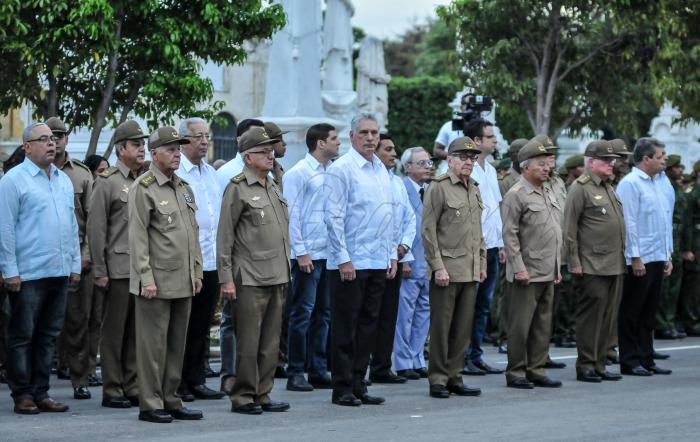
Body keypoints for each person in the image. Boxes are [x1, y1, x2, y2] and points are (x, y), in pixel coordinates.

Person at [0, 122, 80, 414]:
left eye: (53, 139)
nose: (51, 143)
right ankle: (22, 394)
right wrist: (10, 270)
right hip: (28, 273)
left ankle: (41, 391)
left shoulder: (62, 180)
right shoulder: (13, 181)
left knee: (48, 336)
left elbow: (71, 225)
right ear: (27, 147)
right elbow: (5, 228)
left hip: (58, 270)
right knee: (23, 336)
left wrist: (74, 264)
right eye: (43, 139)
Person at [129, 126, 204, 423]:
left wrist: (196, 271)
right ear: (154, 153)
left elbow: (192, 233)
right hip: (157, 281)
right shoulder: (144, 187)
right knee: (152, 347)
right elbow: (138, 238)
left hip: (182, 279)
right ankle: (150, 403)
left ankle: (171, 398)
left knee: (175, 345)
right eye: (170, 150)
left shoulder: (183, 187)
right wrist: (145, 278)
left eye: (178, 149)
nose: (177, 154)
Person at [216, 126, 291, 415]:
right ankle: (244, 396)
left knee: (271, 342)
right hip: (249, 277)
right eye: (264, 151)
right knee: (249, 342)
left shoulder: (272, 184)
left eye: (271, 150)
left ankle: (263, 392)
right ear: (247, 157)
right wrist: (226, 279)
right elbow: (225, 238)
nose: (271, 155)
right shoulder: (237, 188)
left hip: (277, 274)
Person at [324, 113, 397, 407]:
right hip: (351, 262)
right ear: (352, 136)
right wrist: (343, 259)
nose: (370, 138)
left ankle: (359, 382)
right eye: (364, 132)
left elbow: (388, 214)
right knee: (346, 326)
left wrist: (391, 254)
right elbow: (333, 217)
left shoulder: (381, 169)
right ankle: (341, 386)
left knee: (369, 325)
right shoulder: (341, 169)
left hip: (377, 259)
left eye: (374, 133)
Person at [88, 120, 148, 409]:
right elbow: (96, 230)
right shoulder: (107, 182)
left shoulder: (145, 180)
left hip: (142, 269)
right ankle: (113, 388)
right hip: (117, 268)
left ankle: (132, 384)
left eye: (143, 144)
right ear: (121, 149)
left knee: (136, 331)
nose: (142, 149)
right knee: (114, 332)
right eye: (136, 144)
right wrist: (100, 270)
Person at [422, 136, 486, 399]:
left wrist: (481, 262)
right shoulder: (439, 187)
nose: (468, 162)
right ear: (449, 160)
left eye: (472, 158)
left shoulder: (474, 188)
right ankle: (438, 378)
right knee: (441, 327)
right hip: (446, 269)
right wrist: (438, 266)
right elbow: (428, 231)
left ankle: (455, 376)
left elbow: (478, 231)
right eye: (462, 157)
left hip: (469, 269)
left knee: (462, 328)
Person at [501, 139, 563, 389]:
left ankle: (536, 369)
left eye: (548, 163)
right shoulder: (516, 194)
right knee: (520, 325)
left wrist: (557, 267)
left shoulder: (547, 190)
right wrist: (519, 268)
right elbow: (510, 235)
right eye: (541, 164)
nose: (547, 168)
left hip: (547, 269)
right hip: (527, 271)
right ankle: (516, 371)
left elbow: (553, 230)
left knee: (542, 324)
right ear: (526, 167)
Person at [283, 124, 340, 392]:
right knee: (302, 313)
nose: (338, 143)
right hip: (307, 254)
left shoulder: (332, 172)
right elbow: (292, 215)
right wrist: (301, 251)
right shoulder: (299, 173)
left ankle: (318, 368)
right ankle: (296, 370)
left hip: (328, 254)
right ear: (320, 143)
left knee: (324, 314)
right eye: (334, 139)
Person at [563, 140, 625, 383]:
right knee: (591, 318)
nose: (611, 164)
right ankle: (586, 364)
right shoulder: (580, 188)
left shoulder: (608, 187)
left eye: (612, 160)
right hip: (592, 263)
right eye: (606, 160)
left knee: (607, 317)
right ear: (590, 162)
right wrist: (574, 261)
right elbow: (569, 228)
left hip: (613, 263)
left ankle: (600, 363)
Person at [174, 118, 225, 401]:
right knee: (183, 326)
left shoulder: (211, 175)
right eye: (198, 136)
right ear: (184, 140)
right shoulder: (177, 172)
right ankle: (178, 382)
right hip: (186, 263)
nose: (204, 141)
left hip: (211, 261)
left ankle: (196, 379)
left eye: (207, 136)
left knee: (202, 325)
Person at [44, 117, 96, 400]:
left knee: (77, 324)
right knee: (40, 325)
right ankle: (35, 386)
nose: (55, 141)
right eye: (50, 136)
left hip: (75, 261)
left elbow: (92, 221)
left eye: (60, 135)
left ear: (67, 139)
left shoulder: (81, 175)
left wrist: (85, 257)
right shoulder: (27, 175)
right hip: (41, 262)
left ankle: (80, 379)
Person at [214, 118, 265, 395]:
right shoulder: (228, 174)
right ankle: (229, 374)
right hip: (238, 263)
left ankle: (255, 379)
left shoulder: (268, 175)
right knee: (231, 321)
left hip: (263, 265)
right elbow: (223, 225)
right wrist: (226, 270)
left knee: (258, 326)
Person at [616, 138, 673, 377]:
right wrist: (635, 257)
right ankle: (630, 360)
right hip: (640, 257)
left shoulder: (662, 182)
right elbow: (628, 223)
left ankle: (646, 358)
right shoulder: (630, 183)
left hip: (658, 254)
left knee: (649, 312)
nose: (664, 160)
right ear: (646, 159)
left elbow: (666, 220)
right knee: (632, 311)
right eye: (660, 156)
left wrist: (668, 254)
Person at [369, 133, 416, 384]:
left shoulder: (397, 182)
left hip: (395, 257)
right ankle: (358, 369)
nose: (394, 154)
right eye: (388, 149)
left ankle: (382, 366)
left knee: (389, 315)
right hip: (373, 258)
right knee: (368, 316)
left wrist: (404, 246)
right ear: (375, 152)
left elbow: (409, 217)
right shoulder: (369, 180)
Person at [460, 119, 505, 376]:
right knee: (469, 304)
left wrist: (501, 243)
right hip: (474, 248)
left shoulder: (489, 169)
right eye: (490, 136)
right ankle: (463, 356)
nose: (494, 140)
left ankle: (476, 355)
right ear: (477, 141)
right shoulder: (467, 170)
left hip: (492, 247)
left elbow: (494, 209)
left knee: (483, 306)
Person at [394, 147, 433, 380]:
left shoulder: (431, 190)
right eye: (421, 163)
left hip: (428, 262)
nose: (428, 167)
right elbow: (398, 224)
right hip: (409, 260)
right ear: (408, 167)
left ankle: (417, 358)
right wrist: (404, 261)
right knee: (404, 315)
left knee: (423, 313)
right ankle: (402, 361)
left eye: (429, 162)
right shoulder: (401, 188)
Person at [263, 121, 290, 379]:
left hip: (281, 257)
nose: (284, 144)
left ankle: (276, 362)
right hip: (256, 262)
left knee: (280, 316)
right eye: (280, 139)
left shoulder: (280, 173)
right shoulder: (236, 179)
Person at [655, 154, 690, 340]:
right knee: (665, 285)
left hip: (676, 238)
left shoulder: (674, 187)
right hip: (667, 238)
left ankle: (669, 321)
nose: (680, 170)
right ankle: (662, 324)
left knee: (674, 286)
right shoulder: (662, 185)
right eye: (676, 167)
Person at [679, 161, 700, 337]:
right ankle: (691, 322)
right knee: (692, 286)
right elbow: (686, 224)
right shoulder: (692, 195)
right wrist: (686, 249)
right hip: (695, 244)